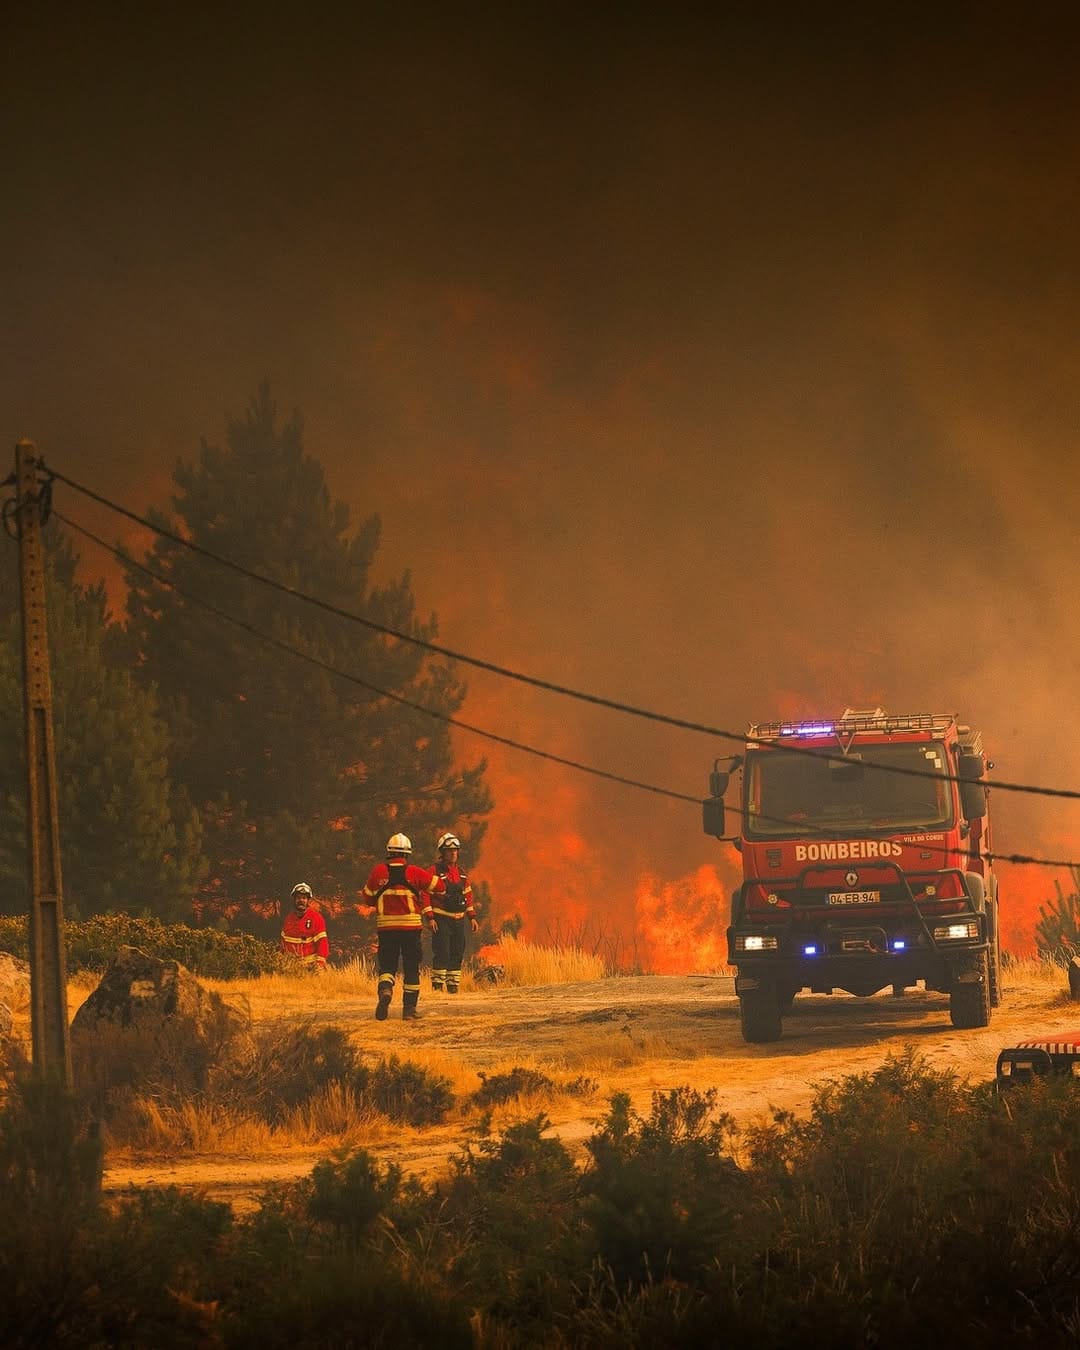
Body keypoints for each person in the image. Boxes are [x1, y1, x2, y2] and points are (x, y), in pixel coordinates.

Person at [361, 833, 443, 1020]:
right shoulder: (414, 872)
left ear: (389, 852)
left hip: (386, 929)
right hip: (410, 930)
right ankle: (409, 1010)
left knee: (387, 965)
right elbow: (439, 886)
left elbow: (367, 897)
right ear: (407, 853)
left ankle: (386, 991)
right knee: (411, 968)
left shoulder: (378, 872)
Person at [430, 831, 479, 994]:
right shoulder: (433, 872)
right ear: (442, 853)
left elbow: (468, 896)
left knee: (457, 952)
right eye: (449, 850)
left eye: (456, 850)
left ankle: (453, 987)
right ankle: (437, 988)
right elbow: (424, 895)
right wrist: (430, 917)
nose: (453, 853)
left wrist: (472, 917)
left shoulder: (462, 873)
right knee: (442, 952)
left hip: (459, 921)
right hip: (441, 919)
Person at [279, 882, 329, 971]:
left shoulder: (316, 918)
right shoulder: (288, 919)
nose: (301, 900)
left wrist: (319, 965)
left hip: (310, 968)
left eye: (304, 898)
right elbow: (282, 945)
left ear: (308, 901)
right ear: (294, 900)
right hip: (290, 968)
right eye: (298, 898)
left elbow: (323, 944)